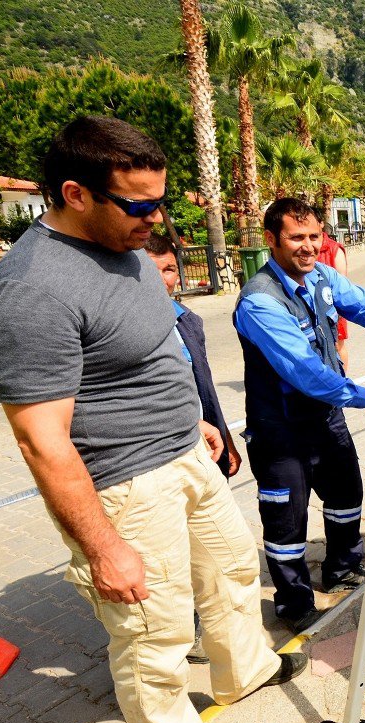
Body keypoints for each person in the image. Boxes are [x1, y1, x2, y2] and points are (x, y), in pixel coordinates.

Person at [0, 116, 298, 723]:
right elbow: (42, 441)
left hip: (186, 450)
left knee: (233, 568)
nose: (156, 218)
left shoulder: (125, 245)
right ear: (75, 194)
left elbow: (152, 348)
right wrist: (103, 547)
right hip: (124, 484)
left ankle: (244, 669)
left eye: (161, 201)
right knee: (155, 629)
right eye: (140, 204)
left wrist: (195, 418)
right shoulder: (29, 289)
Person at [233, 197, 365, 634]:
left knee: (346, 494)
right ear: (271, 240)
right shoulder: (260, 303)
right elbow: (305, 372)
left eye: (315, 236)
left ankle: (343, 569)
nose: (309, 247)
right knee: (286, 521)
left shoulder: (322, 277)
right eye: (297, 238)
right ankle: (293, 603)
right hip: (281, 431)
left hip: (325, 419)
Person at [145, 233, 242, 667]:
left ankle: (214, 638)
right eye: (151, 269)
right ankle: (172, 642)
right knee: (166, 561)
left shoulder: (186, 320)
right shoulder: (121, 331)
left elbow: (203, 390)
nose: (163, 280)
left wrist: (225, 438)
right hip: (153, 463)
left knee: (214, 551)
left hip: (203, 447)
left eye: (168, 269)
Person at [316, 229, 351, 367]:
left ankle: (343, 377)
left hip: (332, 306)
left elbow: (342, 286)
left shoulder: (334, 249)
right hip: (313, 308)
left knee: (338, 344)